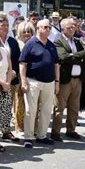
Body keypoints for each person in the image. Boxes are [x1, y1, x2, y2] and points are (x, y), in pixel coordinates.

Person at [19, 19, 59, 148]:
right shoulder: (30, 44)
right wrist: (23, 81)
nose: (48, 30)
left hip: (49, 81)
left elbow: (56, 65)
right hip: (33, 81)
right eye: (45, 27)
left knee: (47, 110)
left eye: (49, 27)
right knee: (31, 110)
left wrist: (57, 82)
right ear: (39, 28)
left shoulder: (52, 45)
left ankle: (42, 135)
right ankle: (29, 137)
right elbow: (23, 64)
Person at [51, 17, 85, 141]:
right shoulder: (58, 41)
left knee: (74, 107)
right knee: (59, 107)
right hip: (65, 79)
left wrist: (72, 56)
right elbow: (63, 57)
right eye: (69, 27)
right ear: (63, 29)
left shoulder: (78, 41)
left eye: (73, 26)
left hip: (78, 79)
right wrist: (76, 57)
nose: (72, 29)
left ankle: (71, 130)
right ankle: (55, 132)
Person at [0, 12, 21, 143]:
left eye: (7, 25)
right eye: (2, 25)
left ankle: (6, 130)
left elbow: (17, 59)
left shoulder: (12, 41)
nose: (5, 27)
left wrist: (14, 71)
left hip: (11, 79)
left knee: (7, 105)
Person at [14, 21, 35, 135]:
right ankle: (20, 126)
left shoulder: (35, 43)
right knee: (21, 103)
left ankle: (32, 127)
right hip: (20, 77)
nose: (26, 34)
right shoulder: (18, 44)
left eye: (29, 31)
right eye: (24, 32)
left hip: (34, 77)